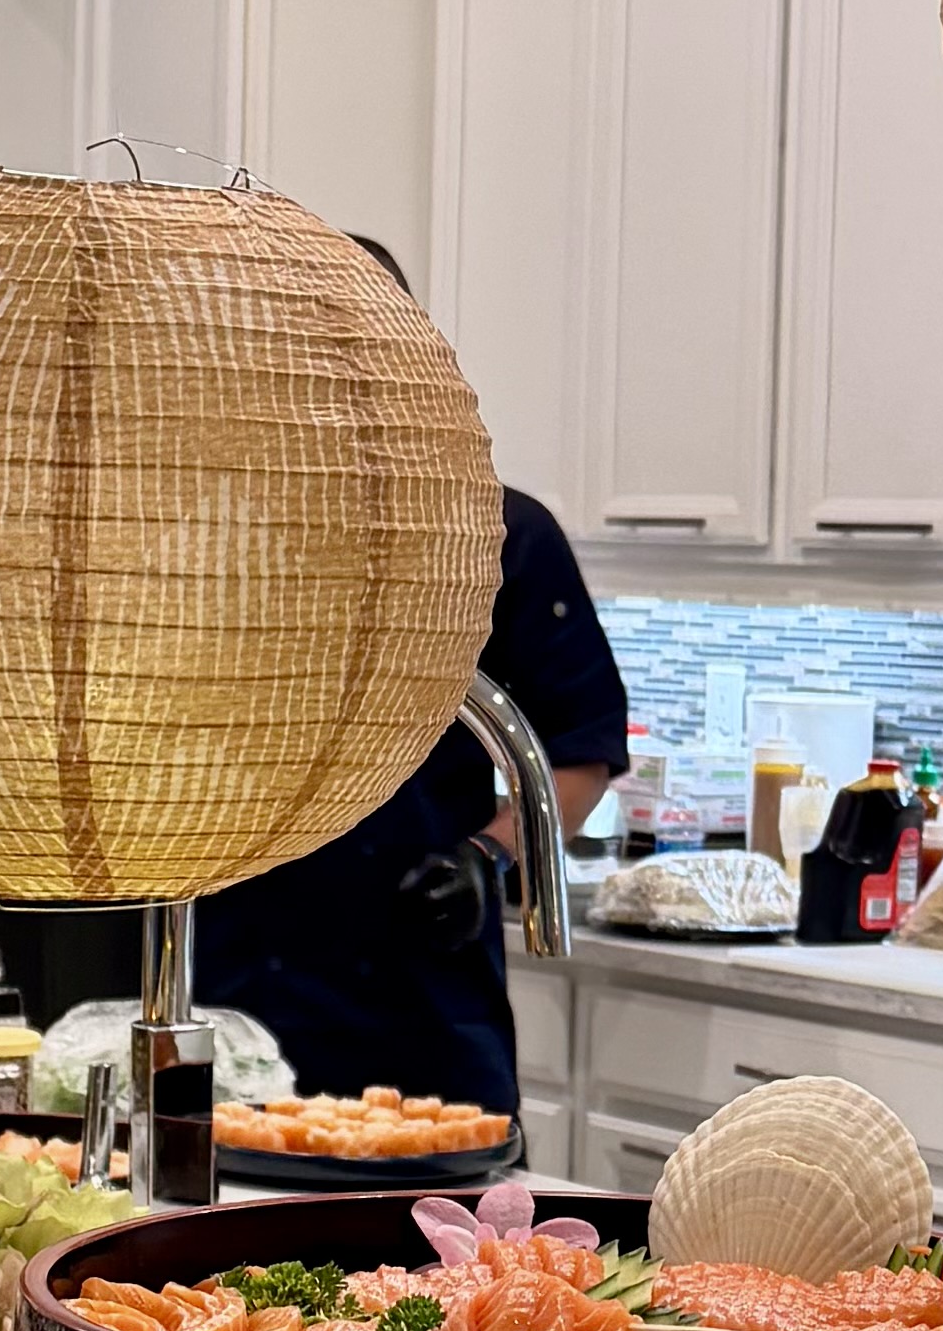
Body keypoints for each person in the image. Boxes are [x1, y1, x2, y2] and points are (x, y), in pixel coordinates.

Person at [189, 253, 630, 1114]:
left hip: (423, 979)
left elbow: (575, 756)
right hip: (237, 977)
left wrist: (486, 857)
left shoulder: (500, 535)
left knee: (455, 1195)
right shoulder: (210, 528)